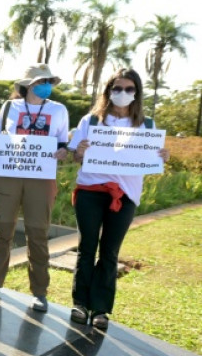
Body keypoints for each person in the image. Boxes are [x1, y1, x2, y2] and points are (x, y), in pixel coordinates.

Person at [67, 69, 169, 329]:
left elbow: (151, 159)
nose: (123, 93)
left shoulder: (146, 125)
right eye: (117, 88)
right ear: (108, 91)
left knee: (110, 251)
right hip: (90, 190)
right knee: (87, 247)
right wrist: (80, 152)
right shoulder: (91, 121)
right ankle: (80, 303)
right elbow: (75, 157)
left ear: (137, 93)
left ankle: (101, 309)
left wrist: (162, 157)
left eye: (129, 89)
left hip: (125, 195)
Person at [0, 64, 70, 312]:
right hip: (8, 175)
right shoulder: (10, 107)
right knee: (1, 232)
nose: (45, 85)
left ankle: (39, 292)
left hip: (41, 178)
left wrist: (63, 152)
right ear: (27, 85)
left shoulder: (59, 110)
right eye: (40, 81)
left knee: (38, 234)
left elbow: (63, 144)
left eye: (48, 81)